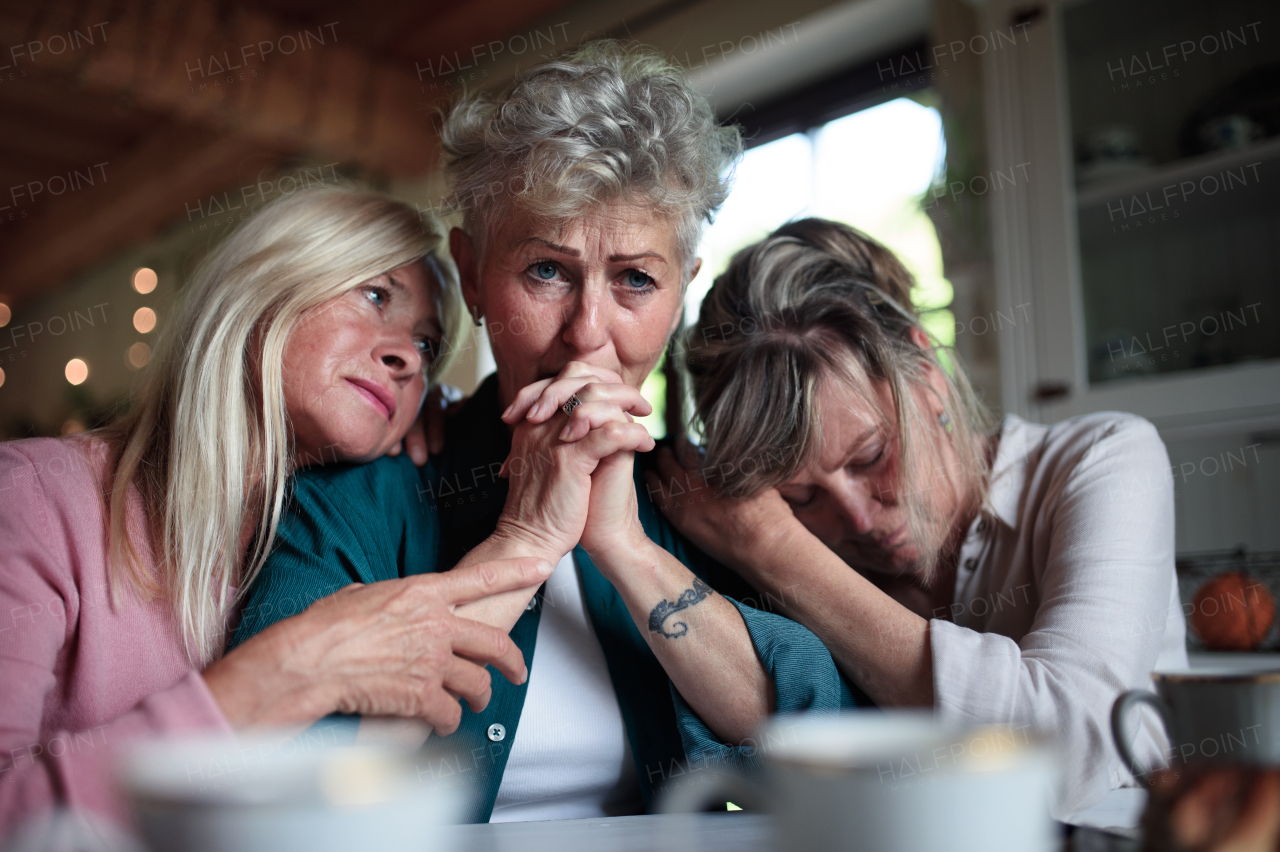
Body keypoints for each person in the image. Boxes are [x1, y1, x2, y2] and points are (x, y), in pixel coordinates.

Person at [230, 43, 863, 824]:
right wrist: (527, 542)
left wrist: (627, 551)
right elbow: (279, 777)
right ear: (471, 271)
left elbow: (824, 749)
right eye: (546, 272)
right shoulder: (358, 492)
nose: (587, 335)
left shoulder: (707, 502)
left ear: (682, 293)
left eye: (636, 279)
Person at [0, 186, 551, 838]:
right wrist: (287, 671)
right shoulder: (31, 497)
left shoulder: (358, 532)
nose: (408, 359)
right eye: (376, 296)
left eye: (428, 348)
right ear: (264, 289)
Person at [645, 218, 1188, 822]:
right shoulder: (754, 546)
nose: (854, 517)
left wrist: (775, 546)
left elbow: (1070, 753)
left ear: (925, 370)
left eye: (871, 456)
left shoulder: (1103, 459)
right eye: (799, 497)